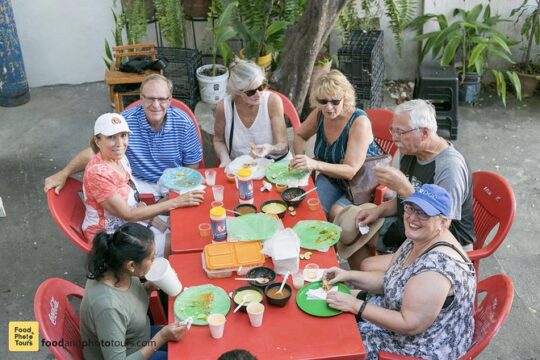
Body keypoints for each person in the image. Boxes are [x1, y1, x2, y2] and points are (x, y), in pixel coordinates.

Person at [324, 184, 476, 360]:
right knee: (334, 308)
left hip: (421, 346)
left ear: (444, 222)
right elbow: (390, 279)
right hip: (404, 315)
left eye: (423, 213)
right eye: (410, 208)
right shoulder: (420, 237)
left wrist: (355, 305)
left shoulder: (435, 270)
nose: (412, 217)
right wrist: (348, 275)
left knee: (338, 344)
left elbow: (409, 324)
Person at [335, 99, 475, 270]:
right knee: (350, 228)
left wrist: (404, 188)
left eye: (400, 132)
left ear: (424, 133)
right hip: (408, 226)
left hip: (439, 246)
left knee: (367, 266)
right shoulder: (410, 151)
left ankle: (381, 286)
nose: (394, 138)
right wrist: (376, 211)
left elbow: (440, 225)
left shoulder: (449, 168)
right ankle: (373, 286)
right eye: (392, 130)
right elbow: (401, 200)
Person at [44, 74, 203, 197]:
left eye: (161, 99)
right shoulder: (125, 121)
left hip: (174, 182)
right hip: (136, 183)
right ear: (141, 98)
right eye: (150, 98)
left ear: (169, 100)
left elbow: (192, 165)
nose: (156, 105)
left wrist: (178, 190)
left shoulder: (184, 123)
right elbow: (96, 152)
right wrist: (64, 173)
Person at [82, 113, 204, 257]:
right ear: (98, 141)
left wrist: (153, 208)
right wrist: (175, 202)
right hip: (110, 237)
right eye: (111, 137)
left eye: (123, 135)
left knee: (184, 226)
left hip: (130, 223)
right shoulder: (98, 173)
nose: (120, 143)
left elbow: (129, 197)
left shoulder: (119, 158)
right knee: (178, 241)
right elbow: (128, 214)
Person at [80, 223, 187, 359]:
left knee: (188, 339)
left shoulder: (118, 269)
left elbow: (129, 305)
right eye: (151, 258)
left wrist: (148, 287)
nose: (154, 262)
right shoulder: (108, 307)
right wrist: (161, 337)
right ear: (131, 265)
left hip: (139, 336)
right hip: (131, 353)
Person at [291, 69, 382, 220]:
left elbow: (350, 170)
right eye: (323, 101)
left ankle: (342, 243)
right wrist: (302, 160)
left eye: (335, 101)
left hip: (360, 183)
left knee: (336, 213)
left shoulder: (359, 122)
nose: (328, 107)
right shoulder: (319, 115)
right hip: (331, 177)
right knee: (311, 208)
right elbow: (300, 135)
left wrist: (314, 164)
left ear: (345, 98)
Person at [213, 59, 289, 167]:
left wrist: (271, 149)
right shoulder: (224, 107)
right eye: (251, 92)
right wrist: (224, 158)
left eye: (261, 87)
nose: (258, 94)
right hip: (240, 167)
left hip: (273, 164)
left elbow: (283, 144)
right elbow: (218, 140)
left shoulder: (272, 101)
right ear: (237, 92)